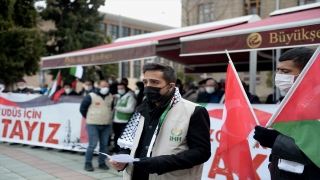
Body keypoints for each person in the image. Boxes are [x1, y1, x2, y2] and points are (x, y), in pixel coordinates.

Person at [109, 63, 211, 180]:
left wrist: (160, 163)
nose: (148, 86)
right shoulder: (142, 109)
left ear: (170, 86)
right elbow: (130, 142)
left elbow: (201, 152)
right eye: (145, 82)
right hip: (135, 175)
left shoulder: (194, 111)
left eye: (155, 82)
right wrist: (122, 158)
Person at [253, 47, 320, 179]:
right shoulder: (288, 102)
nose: (279, 75)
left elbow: (316, 149)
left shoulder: (316, 105)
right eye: (278, 70)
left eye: (285, 71)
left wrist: (275, 140)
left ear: (307, 74)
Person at [79, 80, 113, 171]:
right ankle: (88, 163)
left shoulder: (110, 96)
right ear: (98, 86)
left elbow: (111, 107)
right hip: (92, 124)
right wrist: (90, 118)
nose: (105, 88)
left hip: (105, 125)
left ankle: (101, 162)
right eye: (103, 86)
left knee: (104, 145)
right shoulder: (91, 96)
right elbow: (82, 109)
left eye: (107, 86)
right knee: (92, 145)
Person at [110, 83, 136, 153]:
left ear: (126, 88)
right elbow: (120, 96)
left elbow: (130, 109)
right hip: (116, 120)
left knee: (123, 139)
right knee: (116, 136)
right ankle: (117, 150)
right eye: (118, 89)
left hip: (125, 121)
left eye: (122, 88)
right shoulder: (119, 96)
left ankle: (123, 152)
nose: (120, 90)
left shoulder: (130, 97)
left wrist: (117, 108)